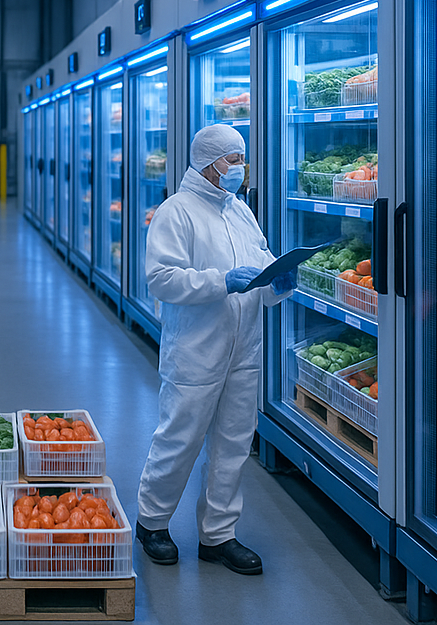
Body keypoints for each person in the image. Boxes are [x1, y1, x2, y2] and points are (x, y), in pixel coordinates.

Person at [134, 123, 295, 574]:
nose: (240, 169)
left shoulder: (240, 211)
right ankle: (153, 522)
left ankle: (218, 534)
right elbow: (161, 279)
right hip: (196, 350)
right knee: (179, 439)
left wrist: (277, 280)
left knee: (233, 443)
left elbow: (261, 260)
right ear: (208, 163)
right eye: (233, 159)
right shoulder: (177, 212)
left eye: (242, 159)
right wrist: (219, 282)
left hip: (245, 348)